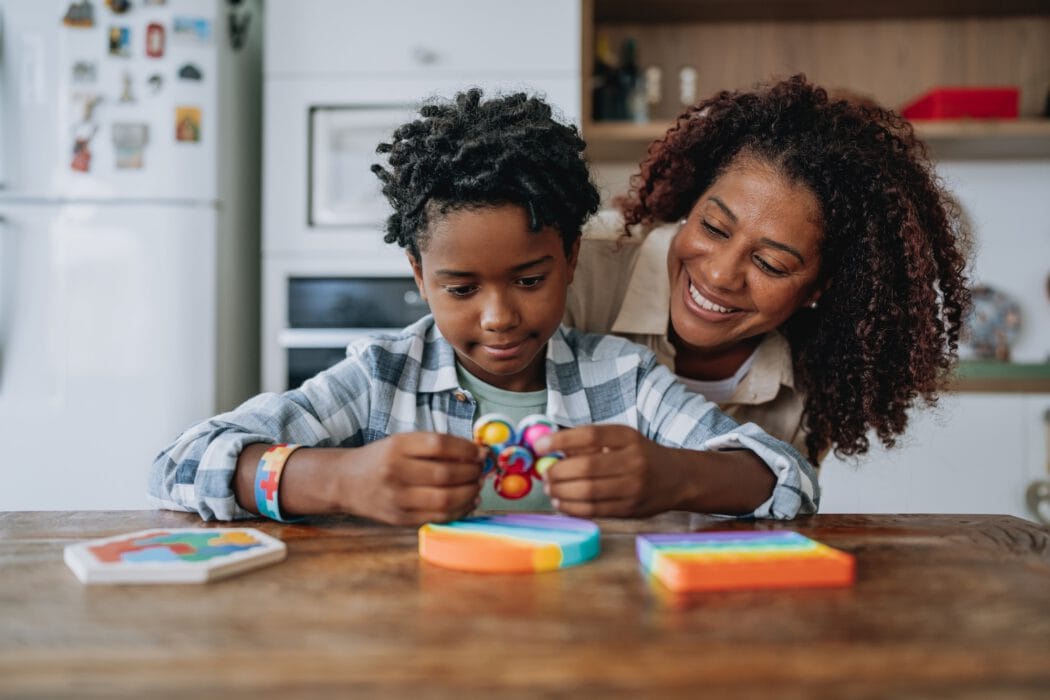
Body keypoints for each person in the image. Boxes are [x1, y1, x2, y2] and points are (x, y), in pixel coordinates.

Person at [149, 88, 817, 525]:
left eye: (529, 280)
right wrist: (336, 479)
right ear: (419, 273)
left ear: (571, 260)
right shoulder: (384, 379)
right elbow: (181, 462)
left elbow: (789, 478)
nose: (499, 318)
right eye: (462, 289)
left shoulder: (623, 378)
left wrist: (679, 475)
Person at [564, 74, 971, 465]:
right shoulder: (576, 267)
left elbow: (778, 512)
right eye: (713, 227)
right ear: (693, 200)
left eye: (770, 264)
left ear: (819, 288)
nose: (721, 274)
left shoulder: (822, 378)